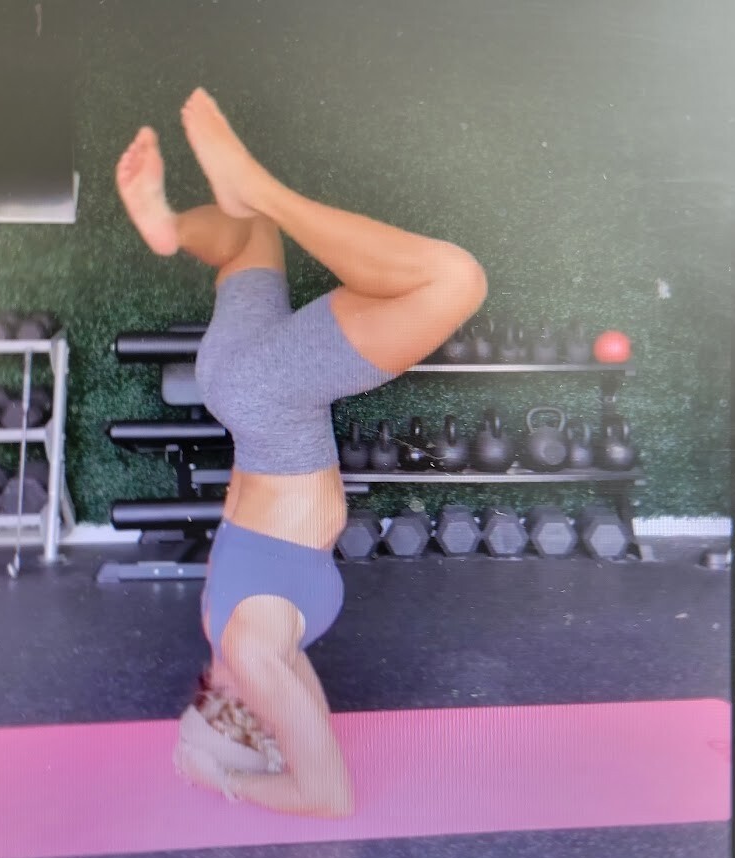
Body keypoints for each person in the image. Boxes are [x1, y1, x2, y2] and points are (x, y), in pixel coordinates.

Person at [116, 88, 488, 818]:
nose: (224, 704)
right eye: (233, 720)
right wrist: (248, 746)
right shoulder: (255, 648)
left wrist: (218, 778)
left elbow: (329, 798)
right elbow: (302, 735)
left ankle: (257, 188)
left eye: (217, 710)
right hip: (247, 386)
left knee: (452, 281)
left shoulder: (251, 654)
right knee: (250, 237)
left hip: (270, 403)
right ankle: (172, 229)